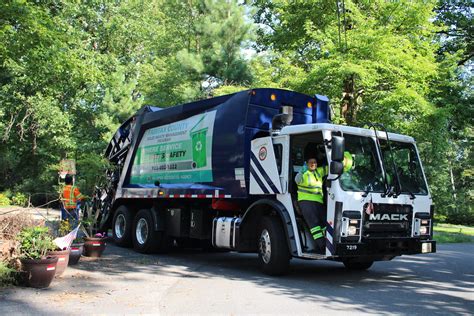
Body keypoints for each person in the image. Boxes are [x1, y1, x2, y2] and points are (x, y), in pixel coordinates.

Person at [295, 152, 352, 253]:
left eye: (315, 162)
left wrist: (344, 162)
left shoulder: (318, 172)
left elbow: (329, 168)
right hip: (306, 202)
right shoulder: (304, 173)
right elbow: (297, 180)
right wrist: (301, 171)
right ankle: (321, 246)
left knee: (325, 222)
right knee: (315, 226)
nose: (313, 164)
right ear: (307, 164)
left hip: (318, 202)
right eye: (311, 162)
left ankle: (328, 243)